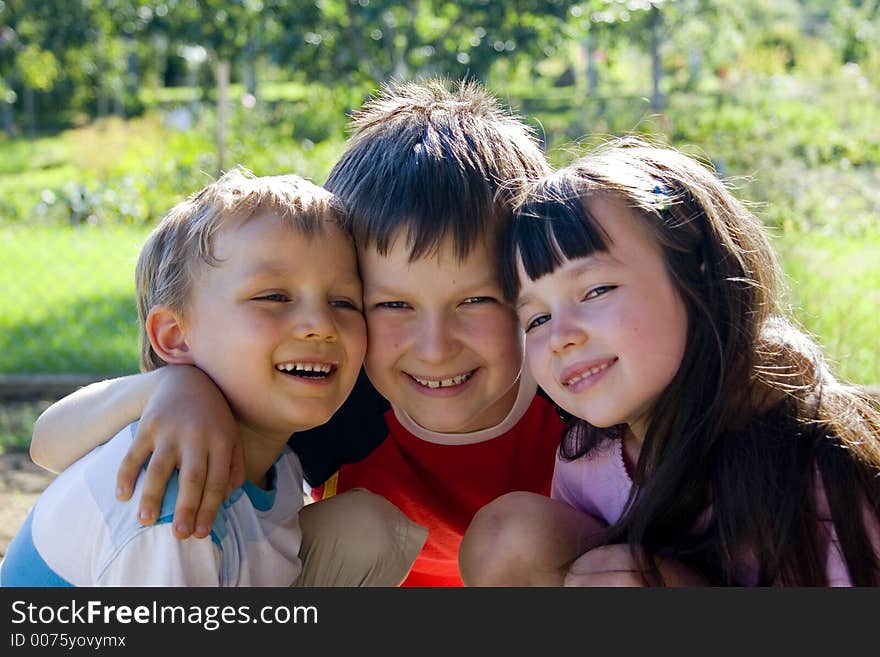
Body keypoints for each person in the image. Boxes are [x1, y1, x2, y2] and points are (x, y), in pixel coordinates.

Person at [28, 79, 569, 586]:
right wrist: (171, 386)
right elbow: (48, 444)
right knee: (363, 527)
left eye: (476, 300)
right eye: (391, 304)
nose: (435, 346)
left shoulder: (571, 379)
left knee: (520, 535)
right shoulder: (329, 391)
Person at [459, 137, 880, 586]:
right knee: (509, 536)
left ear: (697, 272)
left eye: (596, 291)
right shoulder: (587, 460)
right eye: (537, 318)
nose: (561, 337)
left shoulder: (812, 456)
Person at [1, 168, 367, 586]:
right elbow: (45, 441)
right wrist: (169, 383)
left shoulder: (278, 464)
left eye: (343, 301)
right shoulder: (171, 500)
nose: (321, 324)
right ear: (176, 338)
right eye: (273, 297)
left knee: (365, 530)